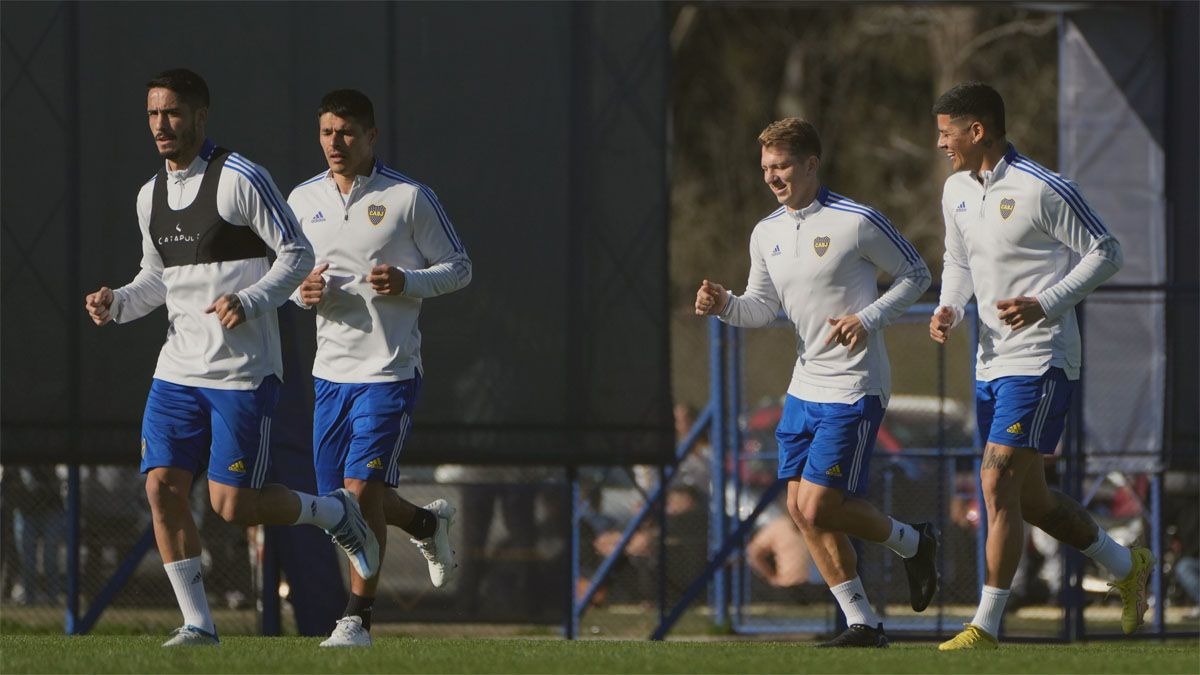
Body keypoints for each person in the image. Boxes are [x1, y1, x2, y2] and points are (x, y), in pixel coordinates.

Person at [83, 69, 379, 647]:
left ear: (200, 116)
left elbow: (297, 253)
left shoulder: (240, 178)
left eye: (172, 113)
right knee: (161, 488)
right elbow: (156, 279)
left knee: (233, 507)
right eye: (152, 115)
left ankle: (334, 514)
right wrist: (117, 302)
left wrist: (250, 299)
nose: (161, 125)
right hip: (176, 372)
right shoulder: (149, 195)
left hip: (243, 376)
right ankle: (198, 624)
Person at [695, 118, 937, 648]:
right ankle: (863, 623)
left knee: (821, 505)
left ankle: (914, 543)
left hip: (855, 384)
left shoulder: (857, 220)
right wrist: (724, 306)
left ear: (810, 163)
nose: (773, 177)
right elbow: (760, 308)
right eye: (765, 168)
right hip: (803, 388)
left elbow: (916, 274)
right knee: (803, 511)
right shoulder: (766, 232)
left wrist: (867, 318)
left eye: (781, 166)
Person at [928, 82, 1152, 650]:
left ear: (977, 131)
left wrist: (1045, 302)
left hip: (1042, 359)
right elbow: (958, 260)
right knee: (1030, 501)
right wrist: (950, 307)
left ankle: (985, 627)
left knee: (995, 478)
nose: (940, 144)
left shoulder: (1043, 188)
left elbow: (1107, 250)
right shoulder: (956, 189)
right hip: (990, 362)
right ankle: (1128, 566)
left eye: (946, 132)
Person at [287, 89, 471, 647]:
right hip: (329, 373)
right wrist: (303, 292)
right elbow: (287, 276)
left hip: (389, 370)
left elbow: (460, 267)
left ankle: (357, 620)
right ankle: (425, 523)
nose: (335, 143)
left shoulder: (409, 197)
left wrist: (409, 281)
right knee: (343, 503)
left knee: (361, 488)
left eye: (346, 132)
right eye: (326, 132)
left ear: (371, 136)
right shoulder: (301, 200)